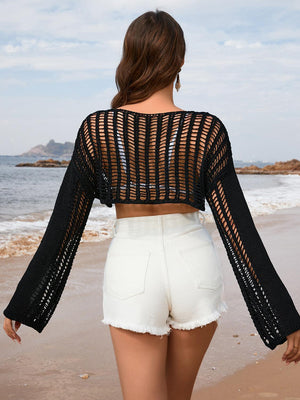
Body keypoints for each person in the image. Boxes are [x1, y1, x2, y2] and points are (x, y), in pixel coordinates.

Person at [3, 8, 300, 400]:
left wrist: (24, 302)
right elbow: (237, 229)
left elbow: (64, 227)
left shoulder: (98, 128)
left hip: (132, 269)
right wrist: (283, 315)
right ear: (179, 62)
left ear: (129, 59)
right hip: (194, 265)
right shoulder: (206, 129)